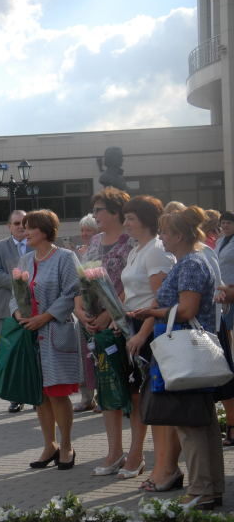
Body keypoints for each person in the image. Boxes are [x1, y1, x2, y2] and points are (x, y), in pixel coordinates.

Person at [129, 207, 223, 509]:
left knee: (191, 424)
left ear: (179, 235)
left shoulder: (192, 263)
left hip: (187, 355)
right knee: (203, 423)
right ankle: (210, 489)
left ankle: (200, 492)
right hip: (191, 355)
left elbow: (187, 310)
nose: (162, 238)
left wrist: (152, 312)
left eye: (165, 232)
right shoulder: (191, 260)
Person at [10, 209, 81, 470]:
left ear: (45, 231)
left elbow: (72, 293)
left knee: (57, 392)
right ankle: (49, 444)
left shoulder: (65, 257)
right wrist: (18, 312)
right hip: (31, 336)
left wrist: (46, 317)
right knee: (39, 395)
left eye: (29, 228)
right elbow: (15, 294)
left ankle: (67, 445)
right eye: (23, 227)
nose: (24, 232)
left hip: (55, 332)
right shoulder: (26, 259)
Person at [77, 187, 135, 473]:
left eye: (99, 210)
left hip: (125, 325)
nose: (95, 215)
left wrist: (111, 313)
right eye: (95, 210)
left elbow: (134, 286)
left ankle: (136, 454)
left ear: (116, 212)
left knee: (132, 390)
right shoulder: (95, 241)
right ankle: (114, 453)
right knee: (107, 389)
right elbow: (83, 280)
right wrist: (82, 312)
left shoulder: (132, 242)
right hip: (97, 327)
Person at [118, 196, 174, 484]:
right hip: (134, 325)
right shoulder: (135, 250)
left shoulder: (156, 251)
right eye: (125, 218)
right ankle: (141, 457)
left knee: (155, 400)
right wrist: (119, 317)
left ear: (147, 221)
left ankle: (164, 465)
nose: (125, 223)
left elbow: (160, 299)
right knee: (139, 397)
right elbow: (130, 293)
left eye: (131, 218)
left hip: (152, 328)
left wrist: (142, 332)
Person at [0, 209, 32, 413]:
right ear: (9, 226)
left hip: (34, 307)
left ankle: (35, 395)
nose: (21, 226)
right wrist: (20, 283)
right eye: (16, 223)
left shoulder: (36, 243)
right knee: (12, 354)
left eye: (24, 222)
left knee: (33, 354)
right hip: (7, 307)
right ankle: (14, 397)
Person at [74, 213, 100, 412]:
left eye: (88, 230)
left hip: (99, 309)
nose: (84, 234)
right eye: (82, 230)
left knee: (98, 354)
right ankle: (86, 397)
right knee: (84, 356)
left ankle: (101, 395)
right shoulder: (76, 252)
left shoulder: (100, 250)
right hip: (82, 311)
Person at [215, 210, 234, 446]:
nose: (226, 226)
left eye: (230, 223)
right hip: (223, 294)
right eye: (224, 223)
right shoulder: (219, 241)